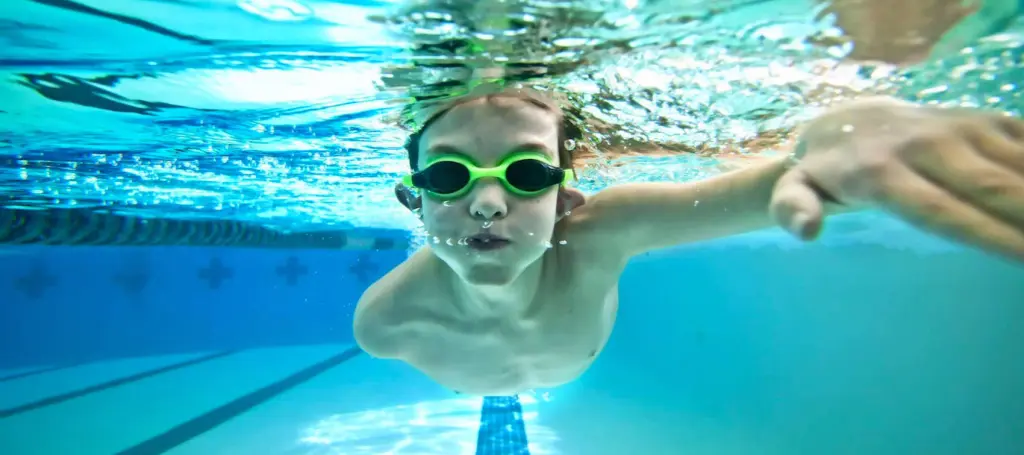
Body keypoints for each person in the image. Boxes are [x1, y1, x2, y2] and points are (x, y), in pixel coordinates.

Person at [353, 85, 1024, 396]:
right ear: (414, 198)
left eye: (527, 172)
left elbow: (757, 193)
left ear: (567, 199)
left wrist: (840, 155)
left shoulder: (597, 235)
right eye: (447, 173)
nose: (488, 203)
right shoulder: (384, 322)